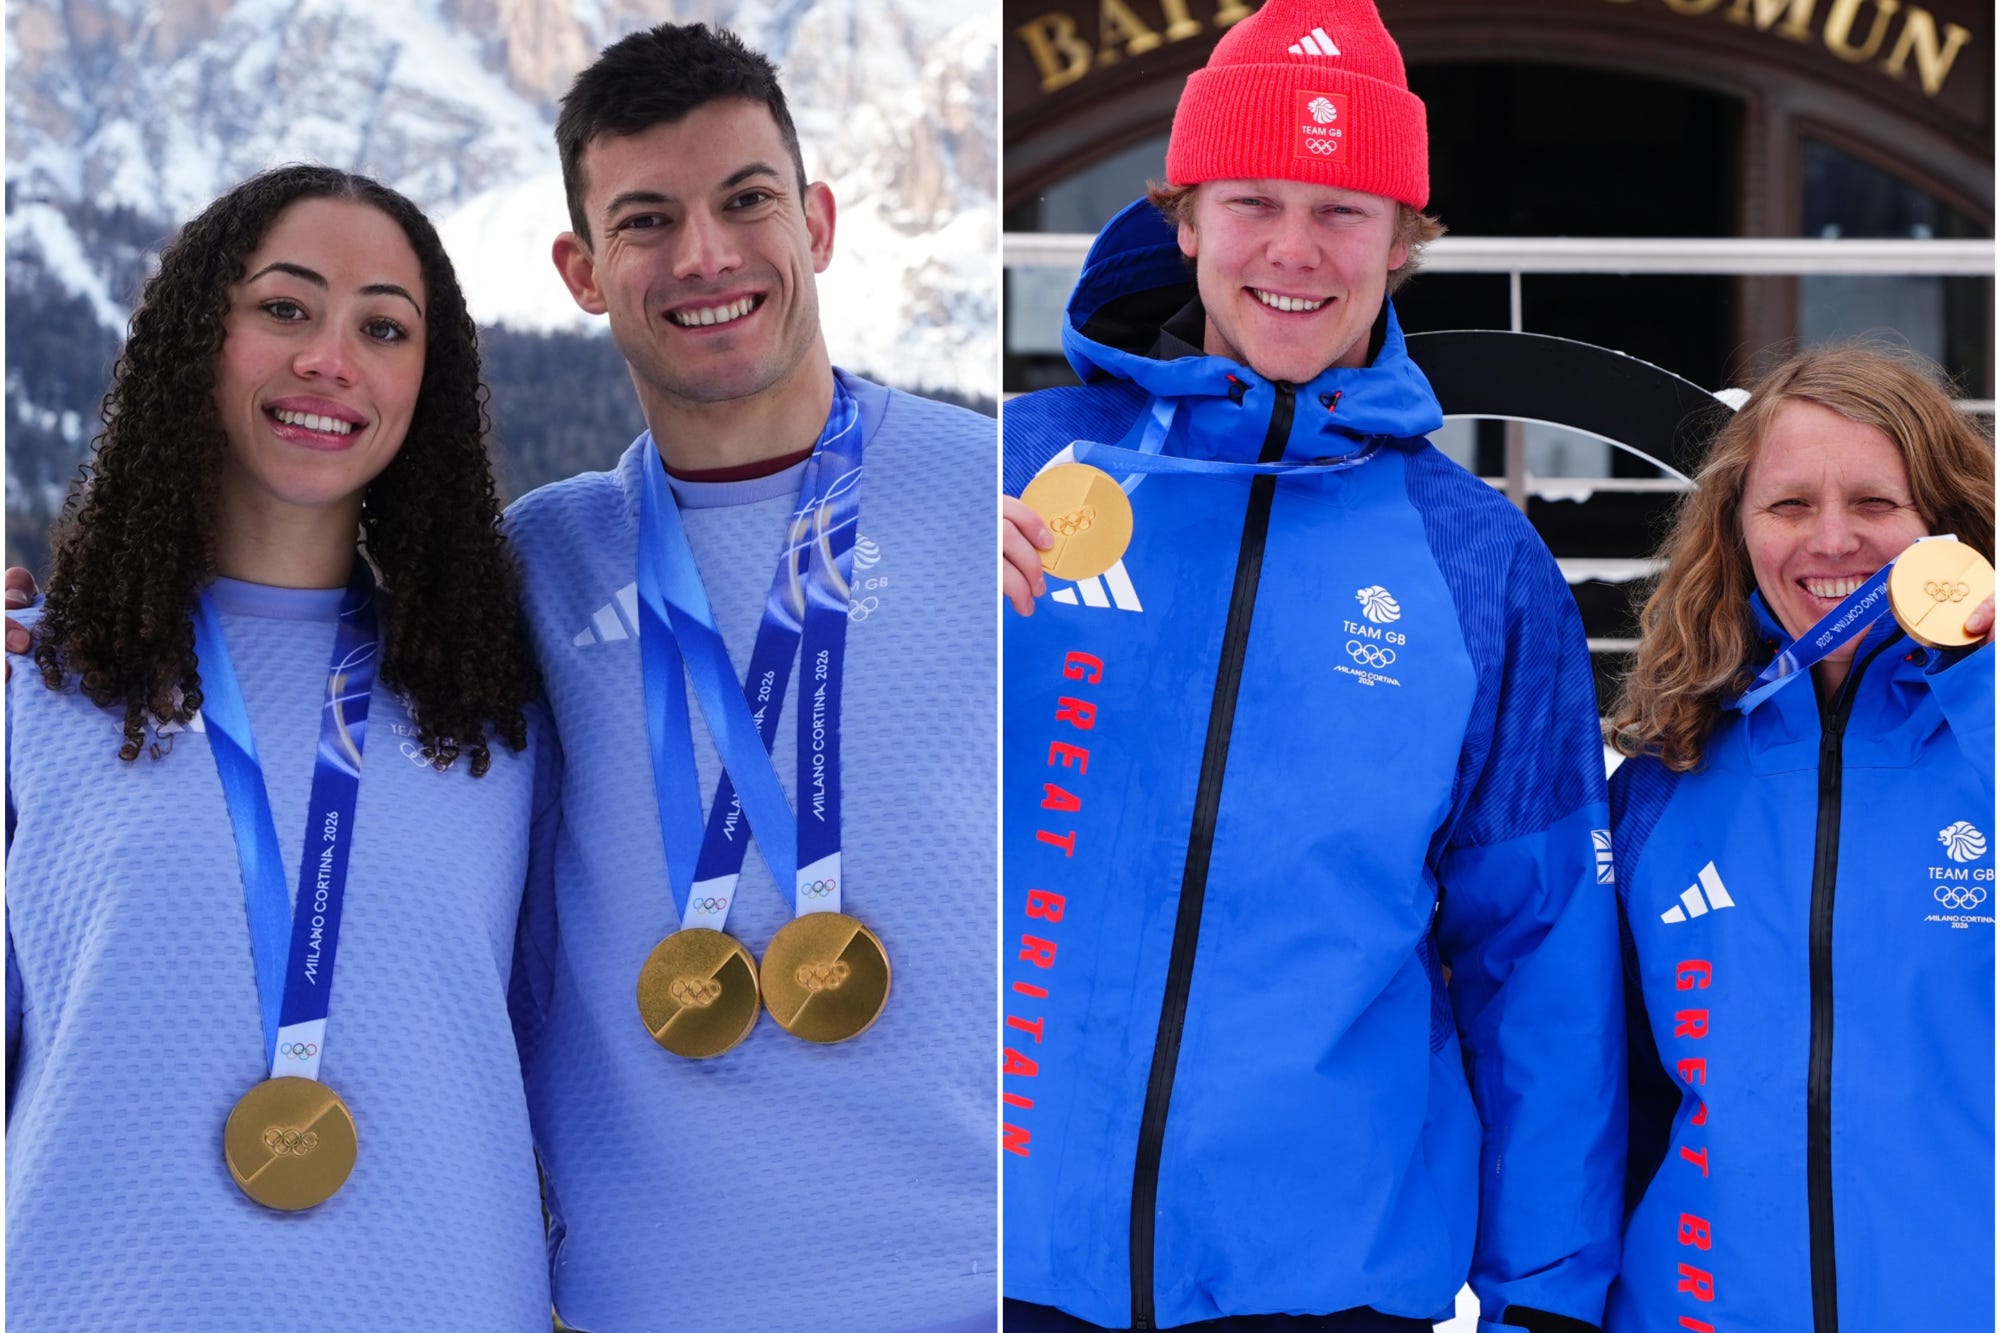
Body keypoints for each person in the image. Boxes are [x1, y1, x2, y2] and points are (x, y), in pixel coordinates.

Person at [998, 2, 1623, 1331]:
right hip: (1006, 1262)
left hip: (1326, 1290)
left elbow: (1541, 954)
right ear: (1184, 220)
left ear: (1402, 241)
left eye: (1343, 209)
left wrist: (1548, 1296)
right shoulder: (1012, 468)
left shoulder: (1478, 563)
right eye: (1253, 201)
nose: (1294, 249)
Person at [500, 23, 996, 1331]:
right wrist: (57, 640)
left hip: (975, 1286)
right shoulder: (532, 567)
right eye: (647, 221)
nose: (706, 256)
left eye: (745, 200)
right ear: (582, 271)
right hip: (643, 1301)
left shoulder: (1000, 500)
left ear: (816, 223)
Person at [5, 166, 551, 1328]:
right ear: (197, 339)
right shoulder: (37, 682)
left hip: (437, 1300)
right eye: (285, 307)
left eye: (383, 328)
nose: (329, 359)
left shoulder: (496, 709)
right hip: (99, 1299)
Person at [1604, 347, 1993, 1333]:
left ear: (1945, 524)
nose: (1831, 540)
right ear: (1736, 528)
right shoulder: (1663, 776)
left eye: (1874, 502)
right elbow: (1604, 1099)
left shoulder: (1984, 746)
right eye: (1787, 505)